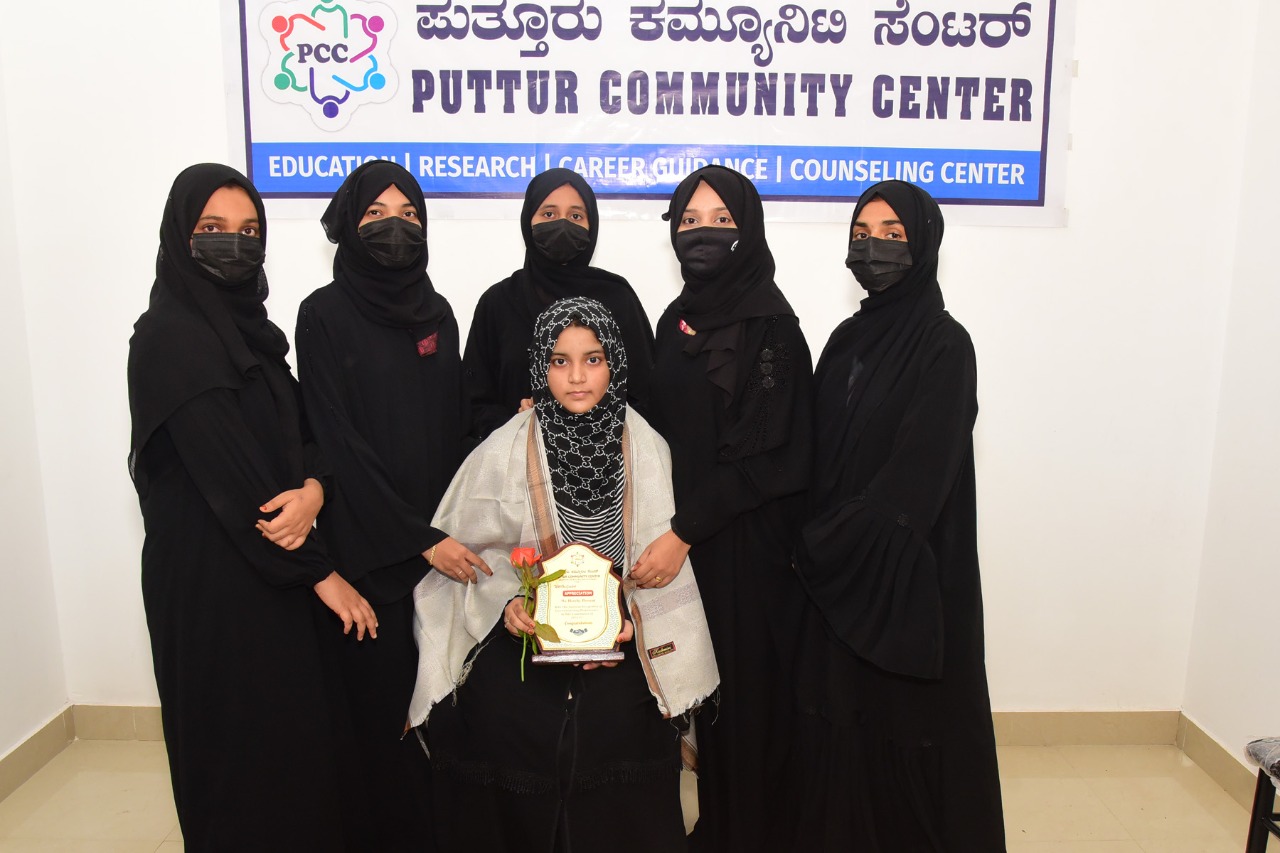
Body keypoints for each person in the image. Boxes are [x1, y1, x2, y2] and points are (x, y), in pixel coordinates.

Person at [409, 296, 719, 853]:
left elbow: (657, 566)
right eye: (559, 361)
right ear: (540, 367)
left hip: (623, 631)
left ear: (614, 363)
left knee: (617, 724)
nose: (577, 377)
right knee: (501, 718)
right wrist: (511, 604)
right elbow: (477, 558)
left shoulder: (647, 446)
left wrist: (626, 622)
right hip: (524, 631)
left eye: (592, 359)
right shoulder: (505, 445)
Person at [127, 163, 376, 852]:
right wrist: (323, 574)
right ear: (181, 235)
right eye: (212, 228)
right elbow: (231, 478)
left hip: (279, 577)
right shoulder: (167, 338)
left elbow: (303, 436)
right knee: (236, 758)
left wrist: (316, 489)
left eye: (247, 232)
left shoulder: (256, 341)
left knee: (297, 751)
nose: (232, 244)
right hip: (212, 585)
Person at [790, 180, 1005, 850]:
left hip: (903, 575)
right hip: (837, 576)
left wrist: (830, 544)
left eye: (892, 233)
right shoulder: (846, 339)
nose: (873, 246)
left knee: (904, 738)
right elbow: (817, 451)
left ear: (924, 243)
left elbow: (920, 472)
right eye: (862, 232)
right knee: (840, 728)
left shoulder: (945, 344)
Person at [295, 160, 483, 852]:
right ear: (349, 224)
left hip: (443, 552)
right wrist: (416, 537)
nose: (394, 226)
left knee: (444, 713)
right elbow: (337, 444)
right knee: (380, 724)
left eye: (407, 213)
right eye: (375, 214)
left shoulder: (438, 312)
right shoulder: (322, 315)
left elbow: (456, 426)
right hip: (370, 553)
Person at [646, 165, 813, 853]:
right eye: (690, 221)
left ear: (749, 230)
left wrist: (685, 531)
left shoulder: (773, 329)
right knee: (702, 697)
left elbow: (770, 454)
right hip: (687, 542)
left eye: (721, 220)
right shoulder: (673, 321)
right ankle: (718, 827)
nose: (703, 233)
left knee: (748, 700)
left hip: (747, 547)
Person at [463, 168, 655, 438]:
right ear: (528, 221)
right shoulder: (498, 302)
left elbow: (646, 396)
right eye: (549, 214)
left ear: (591, 225)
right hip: (515, 459)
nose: (562, 224)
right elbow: (474, 402)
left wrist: (595, 424)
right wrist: (518, 425)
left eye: (576, 216)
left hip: (607, 460)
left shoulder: (617, 298)